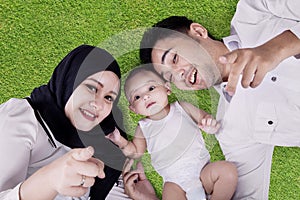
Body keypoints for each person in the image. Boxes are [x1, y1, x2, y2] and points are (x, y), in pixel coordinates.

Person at [138, 0, 300, 199]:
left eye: (174, 59)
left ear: (198, 32)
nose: (179, 74)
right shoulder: (230, 130)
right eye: (170, 77)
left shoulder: (256, 10)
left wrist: (278, 48)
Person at [0, 44, 128, 199]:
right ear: (69, 80)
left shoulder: (105, 145)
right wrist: (49, 180)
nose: (98, 104)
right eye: (92, 88)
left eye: (109, 98)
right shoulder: (21, 118)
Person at [106, 66, 237, 200]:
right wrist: (120, 141)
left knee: (228, 171)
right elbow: (135, 152)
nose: (146, 97)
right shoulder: (143, 127)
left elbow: (204, 118)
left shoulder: (182, 107)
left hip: (202, 170)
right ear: (134, 109)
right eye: (137, 97)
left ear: (167, 88)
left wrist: (209, 125)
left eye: (151, 88)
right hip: (174, 183)